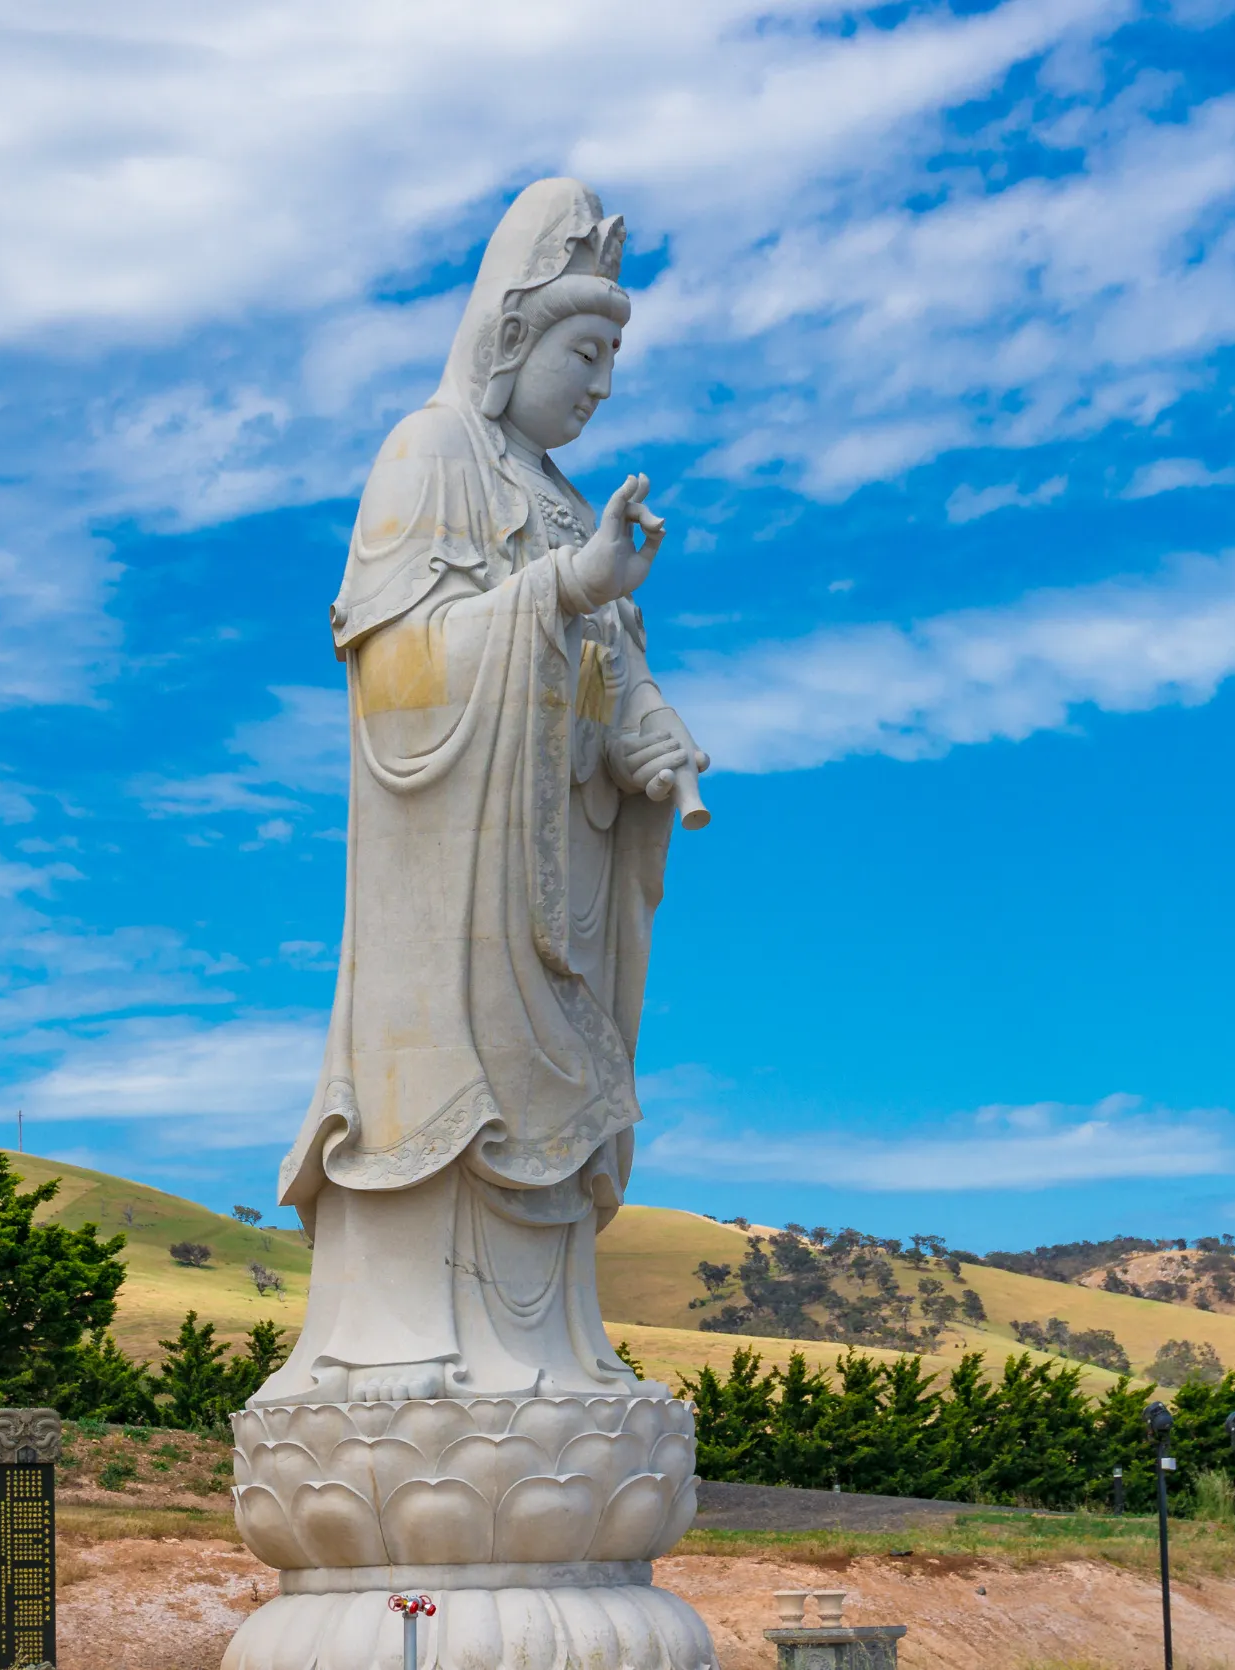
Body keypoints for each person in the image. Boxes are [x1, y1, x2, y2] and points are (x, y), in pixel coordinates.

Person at [258, 178, 709, 1407]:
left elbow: (605, 703)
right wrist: (558, 595)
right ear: (510, 337)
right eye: (584, 348)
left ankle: (560, 1360)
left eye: (615, 355)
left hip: (552, 926)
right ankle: (403, 1354)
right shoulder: (430, 452)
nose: (602, 383)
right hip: (449, 945)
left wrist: (644, 744)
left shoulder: (571, 504)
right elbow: (397, 683)